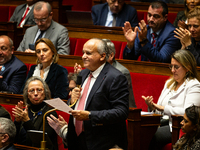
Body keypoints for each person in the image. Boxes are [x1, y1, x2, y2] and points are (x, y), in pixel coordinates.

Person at [66, 38, 129, 150]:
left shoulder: (116, 77)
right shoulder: (84, 73)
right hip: (77, 139)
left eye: (88, 53)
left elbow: (121, 112)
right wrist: (72, 101)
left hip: (101, 142)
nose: (83, 56)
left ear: (102, 56)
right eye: (83, 52)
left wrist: (90, 115)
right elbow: (80, 103)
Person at [142, 49, 200, 150]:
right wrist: (152, 107)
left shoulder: (194, 85)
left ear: (188, 68)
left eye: (176, 67)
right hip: (161, 122)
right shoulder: (169, 83)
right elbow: (159, 108)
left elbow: (190, 113)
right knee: (140, 131)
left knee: (152, 136)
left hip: (176, 127)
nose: (172, 70)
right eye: (171, 66)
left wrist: (163, 108)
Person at [12, 76, 58, 150]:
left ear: (45, 93)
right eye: (31, 90)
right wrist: (17, 122)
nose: (36, 93)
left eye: (39, 90)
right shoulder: (24, 111)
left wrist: (27, 121)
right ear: (27, 94)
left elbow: (41, 142)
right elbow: (13, 139)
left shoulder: (50, 113)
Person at [102, 39, 136, 108]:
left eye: (102, 55)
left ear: (111, 56)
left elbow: (127, 102)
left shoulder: (122, 73)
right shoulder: (93, 70)